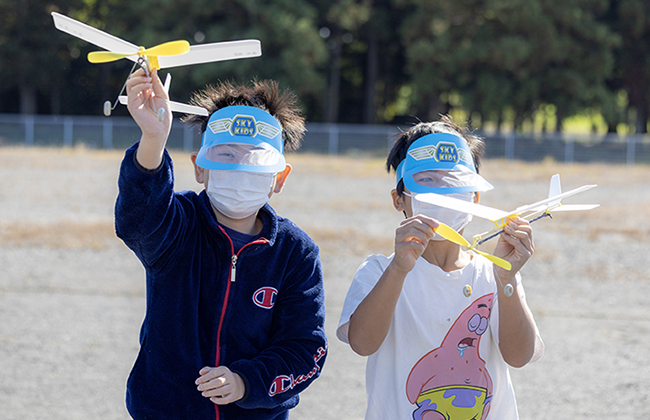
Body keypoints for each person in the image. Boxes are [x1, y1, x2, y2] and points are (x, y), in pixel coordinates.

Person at [114, 67, 327, 420]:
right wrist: (153, 137)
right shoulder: (177, 224)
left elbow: (305, 348)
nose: (240, 170)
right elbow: (138, 221)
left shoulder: (295, 252)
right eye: (226, 156)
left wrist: (246, 382)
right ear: (200, 167)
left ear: (279, 178)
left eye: (255, 160)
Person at [337, 116, 544, 420]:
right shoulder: (380, 270)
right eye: (428, 181)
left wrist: (507, 277)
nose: (442, 194)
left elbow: (519, 356)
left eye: (454, 182)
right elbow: (362, 343)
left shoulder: (494, 273)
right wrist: (398, 268)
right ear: (399, 199)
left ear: (474, 196)